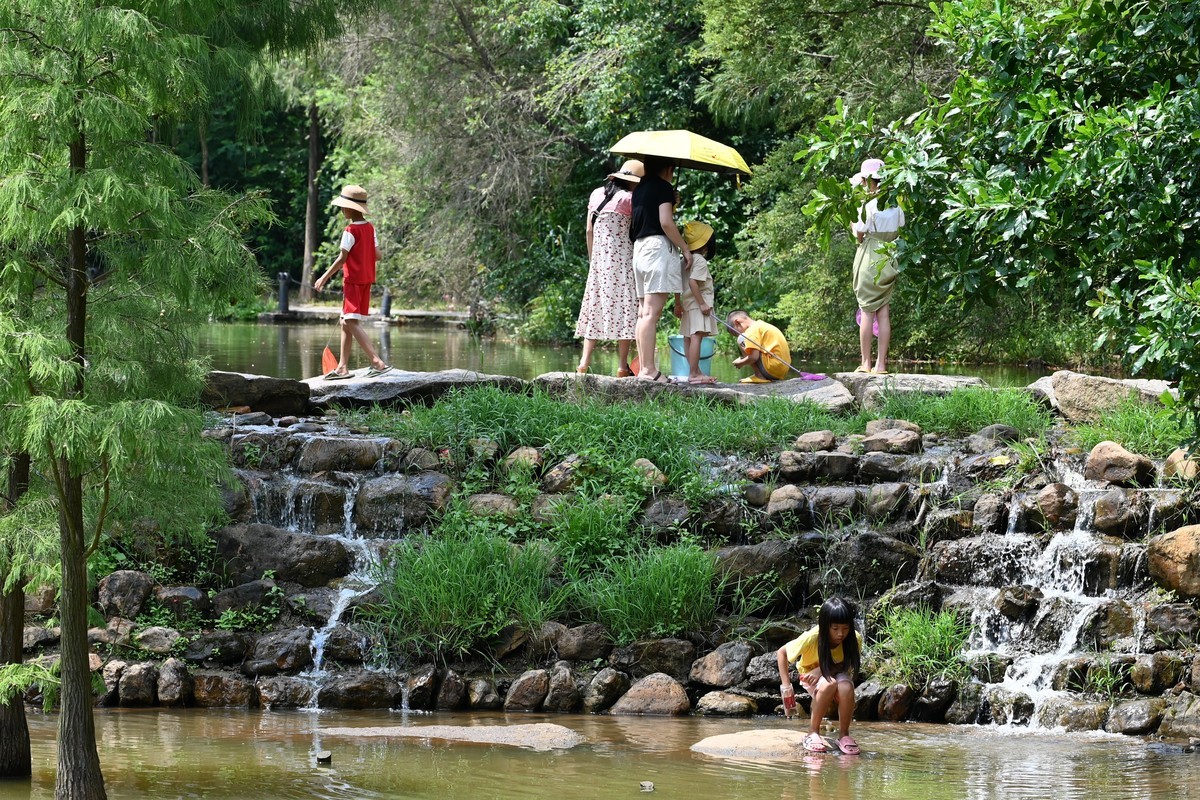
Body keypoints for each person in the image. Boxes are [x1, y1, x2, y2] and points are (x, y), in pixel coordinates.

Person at [314, 184, 392, 380]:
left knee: (350, 320)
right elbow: (378, 255)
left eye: (343, 207)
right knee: (345, 323)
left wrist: (324, 277)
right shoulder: (370, 228)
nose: (341, 210)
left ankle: (376, 362)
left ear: (351, 208)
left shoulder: (350, 230)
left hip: (353, 281)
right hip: (366, 280)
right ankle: (342, 367)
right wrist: (364, 255)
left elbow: (342, 259)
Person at [574, 160, 644, 376]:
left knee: (593, 306)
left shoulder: (596, 194)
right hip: (623, 258)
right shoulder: (630, 199)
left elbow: (588, 230)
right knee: (626, 308)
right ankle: (622, 367)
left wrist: (592, 259)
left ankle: (583, 364)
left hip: (599, 259)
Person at [777, 597, 864, 755]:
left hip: (837, 672)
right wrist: (787, 687)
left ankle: (844, 735)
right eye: (835, 628)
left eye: (845, 628)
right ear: (825, 626)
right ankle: (812, 732)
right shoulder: (812, 638)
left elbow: (847, 664)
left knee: (846, 686)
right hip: (811, 677)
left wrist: (823, 670)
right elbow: (781, 653)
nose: (841, 634)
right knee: (828, 683)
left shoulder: (854, 638)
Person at [630, 156, 691, 383]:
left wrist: (671, 201)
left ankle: (645, 369)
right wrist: (684, 248)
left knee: (643, 312)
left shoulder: (639, 188)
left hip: (639, 249)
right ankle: (648, 371)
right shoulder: (663, 187)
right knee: (651, 313)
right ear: (668, 168)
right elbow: (665, 223)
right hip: (656, 248)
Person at [849, 158, 906, 375]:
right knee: (883, 312)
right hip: (890, 256)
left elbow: (859, 236)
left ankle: (865, 363)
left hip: (870, 254)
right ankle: (881, 365)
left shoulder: (868, 205)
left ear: (867, 181)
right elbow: (900, 227)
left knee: (866, 310)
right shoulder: (896, 204)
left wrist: (853, 223)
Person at [679, 221, 718, 384]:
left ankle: (695, 371)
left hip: (688, 304)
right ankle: (694, 373)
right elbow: (693, 282)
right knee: (696, 337)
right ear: (707, 244)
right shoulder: (700, 261)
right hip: (698, 305)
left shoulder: (684, 260)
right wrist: (702, 303)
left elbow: (677, 283)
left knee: (688, 338)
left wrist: (677, 303)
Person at [726, 310, 792, 383]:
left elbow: (754, 357)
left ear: (737, 322)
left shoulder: (751, 331)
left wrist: (740, 363)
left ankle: (759, 375)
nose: (738, 334)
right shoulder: (761, 325)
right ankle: (761, 375)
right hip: (782, 370)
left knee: (741, 338)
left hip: (772, 368)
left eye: (735, 333)